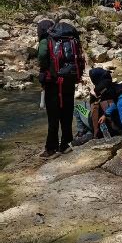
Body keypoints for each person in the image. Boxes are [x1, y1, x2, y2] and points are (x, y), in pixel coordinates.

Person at [37, 19, 85, 157]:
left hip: (53, 83)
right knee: (67, 114)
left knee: (53, 117)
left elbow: (41, 59)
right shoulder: (71, 38)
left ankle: (51, 148)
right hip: (68, 81)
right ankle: (66, 144)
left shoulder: (46, 40)